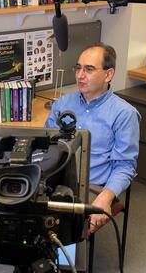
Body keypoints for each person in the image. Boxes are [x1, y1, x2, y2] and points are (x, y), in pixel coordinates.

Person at [45, 43, 140, 234]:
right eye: (78, 68)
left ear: (108, 74)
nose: (80, 75)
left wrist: (106, 197)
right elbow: (46, 144)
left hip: (92, 186)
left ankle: (62, 261)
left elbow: (125, 166)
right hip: (56, 179)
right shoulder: (63, 103)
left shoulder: (124, 114)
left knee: (60, 227)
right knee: (18, 209)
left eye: (88, 69)